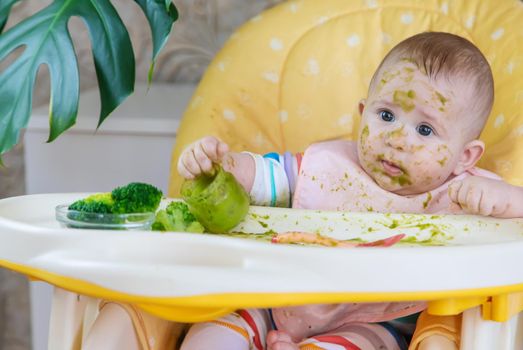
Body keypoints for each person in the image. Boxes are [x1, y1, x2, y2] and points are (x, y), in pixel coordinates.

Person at [176, 32, 523, 350]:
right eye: (386, 115)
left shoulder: (465, 194)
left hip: (374, 322)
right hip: (276, 299)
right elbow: (267, 178)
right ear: (362, 114)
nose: (397, 139)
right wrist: (226, 167)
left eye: (425, 129)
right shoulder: (328, 166)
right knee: (212, 333)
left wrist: (505, 200)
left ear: (465, 156)